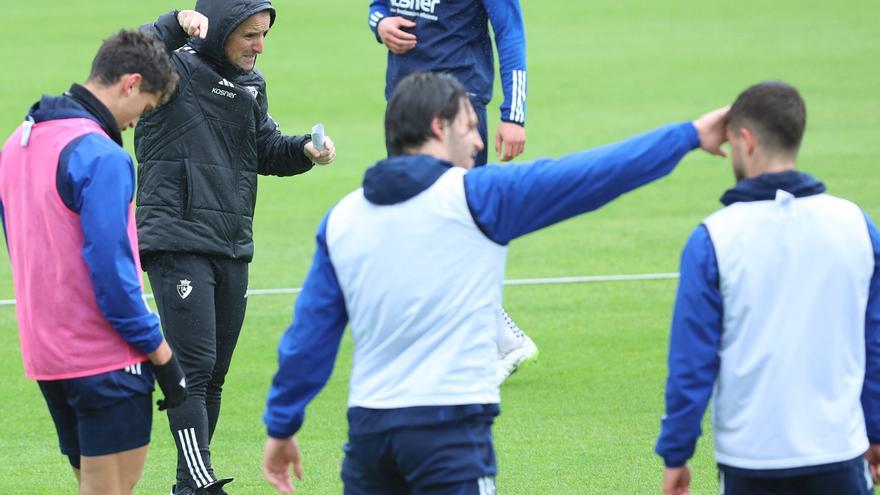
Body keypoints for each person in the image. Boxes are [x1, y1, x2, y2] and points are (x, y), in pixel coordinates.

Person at [260, 72, 729, 494]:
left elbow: (309, 336)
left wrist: (282, 425)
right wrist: (687, 136)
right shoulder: (478, 198)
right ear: (439, 128)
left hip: (368, 440)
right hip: (450, 438)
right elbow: (593, 175)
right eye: (470, 127)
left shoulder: (343, 218)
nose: (479, 143)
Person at [136, 2, 337, 494]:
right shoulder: (172, 67)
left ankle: (189, 486)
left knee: (215, 374)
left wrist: (303, 152)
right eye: (249, 35)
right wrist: (173, 22)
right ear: (220, 29)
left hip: (231, 242)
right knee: (193, 367)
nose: (258, 46)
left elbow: (263, 147)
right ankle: (199, 484)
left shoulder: (251, 85)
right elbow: (127, 60)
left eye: (264, 35)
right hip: (176, 238)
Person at [655, 81, 880, 495]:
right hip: (839, 452)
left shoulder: (714, 237)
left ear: (745, 140)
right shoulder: (857, 226)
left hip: (751, 460)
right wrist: (878, 431)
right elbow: (876, 341)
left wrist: (676, 453)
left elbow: (692, 361)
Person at [0, 30, 187, 495]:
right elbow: (113, 275)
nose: (132, 124)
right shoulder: (101, 156)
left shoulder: (16, 146)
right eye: (143, 109)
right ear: (131, 82)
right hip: (104, 358)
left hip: (46, 355)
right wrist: (162, 355)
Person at [368, 0, 535, 384]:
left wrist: (514, 115)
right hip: (404, 106)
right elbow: (378, 7)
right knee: (413, 229)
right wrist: (380, 25)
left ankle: (501, 340)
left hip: (457, 110)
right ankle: (464, 339)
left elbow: (510, 30)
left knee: (455, 228)